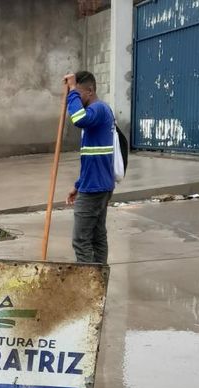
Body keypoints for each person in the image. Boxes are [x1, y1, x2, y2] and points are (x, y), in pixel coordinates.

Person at [64, 71, 115, 265]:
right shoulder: (97, 115)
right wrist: (78, 185)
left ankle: (89, 285)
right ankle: (98, 281)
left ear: (90, 91)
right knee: (96, 236)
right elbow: (91, 160)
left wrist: (71, 90)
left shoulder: (99, 109)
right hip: (95, 184)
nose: (77, 97)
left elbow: (78, 118)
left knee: (81, 240)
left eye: (80, 93)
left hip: (95, 188)